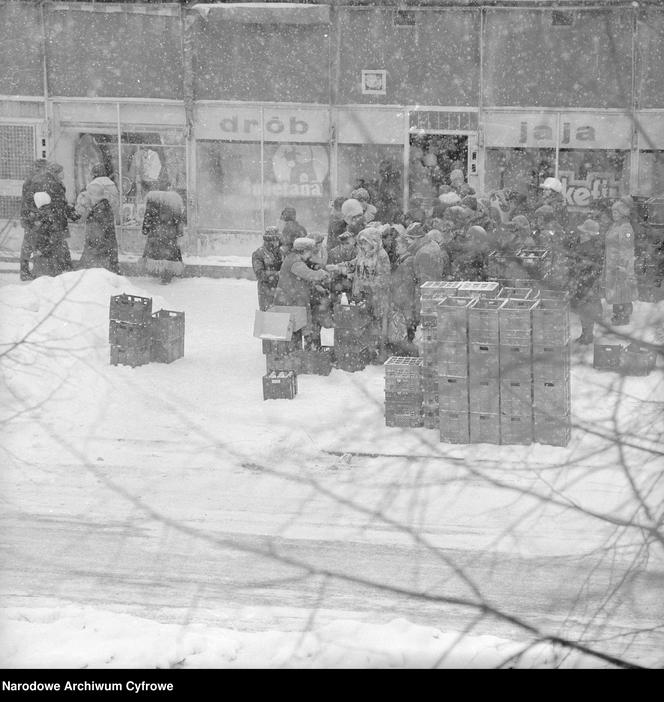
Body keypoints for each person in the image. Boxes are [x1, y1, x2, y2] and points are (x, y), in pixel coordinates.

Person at [19, 160, 78, 280]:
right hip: (39, 218)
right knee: (41, 244)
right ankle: (60, 268)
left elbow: (30, 201)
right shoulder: (42, 181)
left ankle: (28, 270)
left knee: (32, 244)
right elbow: (56, 202)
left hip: (34, 217)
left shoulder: (33, 180)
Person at [273, 237, 330, 349]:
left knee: (296, 330)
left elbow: (302, 280)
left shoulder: (294, 259)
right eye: (310, 252)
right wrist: (322, 273)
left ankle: (299, 354)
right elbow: (308, 274)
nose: (310, 256)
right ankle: (297, 356)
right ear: (304, 250)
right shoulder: (295, 262)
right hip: (290, 302)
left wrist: (317, 287)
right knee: (295, 330)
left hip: (294, 300)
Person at [349, 227, 392, 361]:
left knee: (377, 325)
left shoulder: (381, 255)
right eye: (360, 242)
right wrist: (339, 267)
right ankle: (366, 352)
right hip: (361, 295)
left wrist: (368, 284)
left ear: (373, 241)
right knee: (363, 324)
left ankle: (379, 352)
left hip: (376, 297)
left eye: (365, 242)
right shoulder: (362, 253)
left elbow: (384, 278)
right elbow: (354, 264)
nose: (362, 245)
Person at [75, 165, 120, 273]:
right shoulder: (112, 185)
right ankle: (111, 268)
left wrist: (80, 211)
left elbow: (86, 203)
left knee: (94, 244)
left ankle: (92, 269)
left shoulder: (93, 185)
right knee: (109, 243)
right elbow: (115, 204)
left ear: (94, 173)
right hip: (108, 217)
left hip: (95, 218)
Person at [568, 219, 604, 345]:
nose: (581, 234)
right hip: (582, 281)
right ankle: (585, 333)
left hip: (589, 283)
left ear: (590, 234)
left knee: (588, 309)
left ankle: (588, 335)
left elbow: (595, 268)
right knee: (583, 309)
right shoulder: (582, 243)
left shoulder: (593, 248)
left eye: (584, 232)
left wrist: (585, 279)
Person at [141, 189, 185, 284]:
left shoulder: (152, 199)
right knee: (169, 256)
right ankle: (167, 275)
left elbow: (148, 216)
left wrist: (145, 229)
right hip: (170, 234)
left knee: (158, 255)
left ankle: (161, 274)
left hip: (156, 233)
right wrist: (179, 232)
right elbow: (178, 218)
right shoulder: (174, 199)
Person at [604, 199, 638, 326]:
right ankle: (618, 314)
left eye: (617, 212)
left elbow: (627, 249)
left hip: (620, 265)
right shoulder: (615, 225)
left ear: (623, 213)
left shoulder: (625, 227)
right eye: (613, 212)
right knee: (616, 290)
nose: (614, 214)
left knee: (623, 290)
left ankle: (623, 316)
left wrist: (622, 266)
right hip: (613, 264)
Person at [387, 233, 419, 356]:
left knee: (406, 329)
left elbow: (406, 285)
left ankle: (407, 355)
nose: (396, 248)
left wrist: (397, 300)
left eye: (399, 246)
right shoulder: (403, 260)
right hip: (404, 302)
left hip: (405, 303)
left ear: (406, 247)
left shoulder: (407, 262)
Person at [251, 226, 283, 311]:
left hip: (280, 291)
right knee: (267, 315)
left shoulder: (281, 252)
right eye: (276, 240)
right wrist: (277, 274)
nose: (278, 242)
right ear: (269, 241)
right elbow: (260, 274)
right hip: (266, 291)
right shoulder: (258, 254)